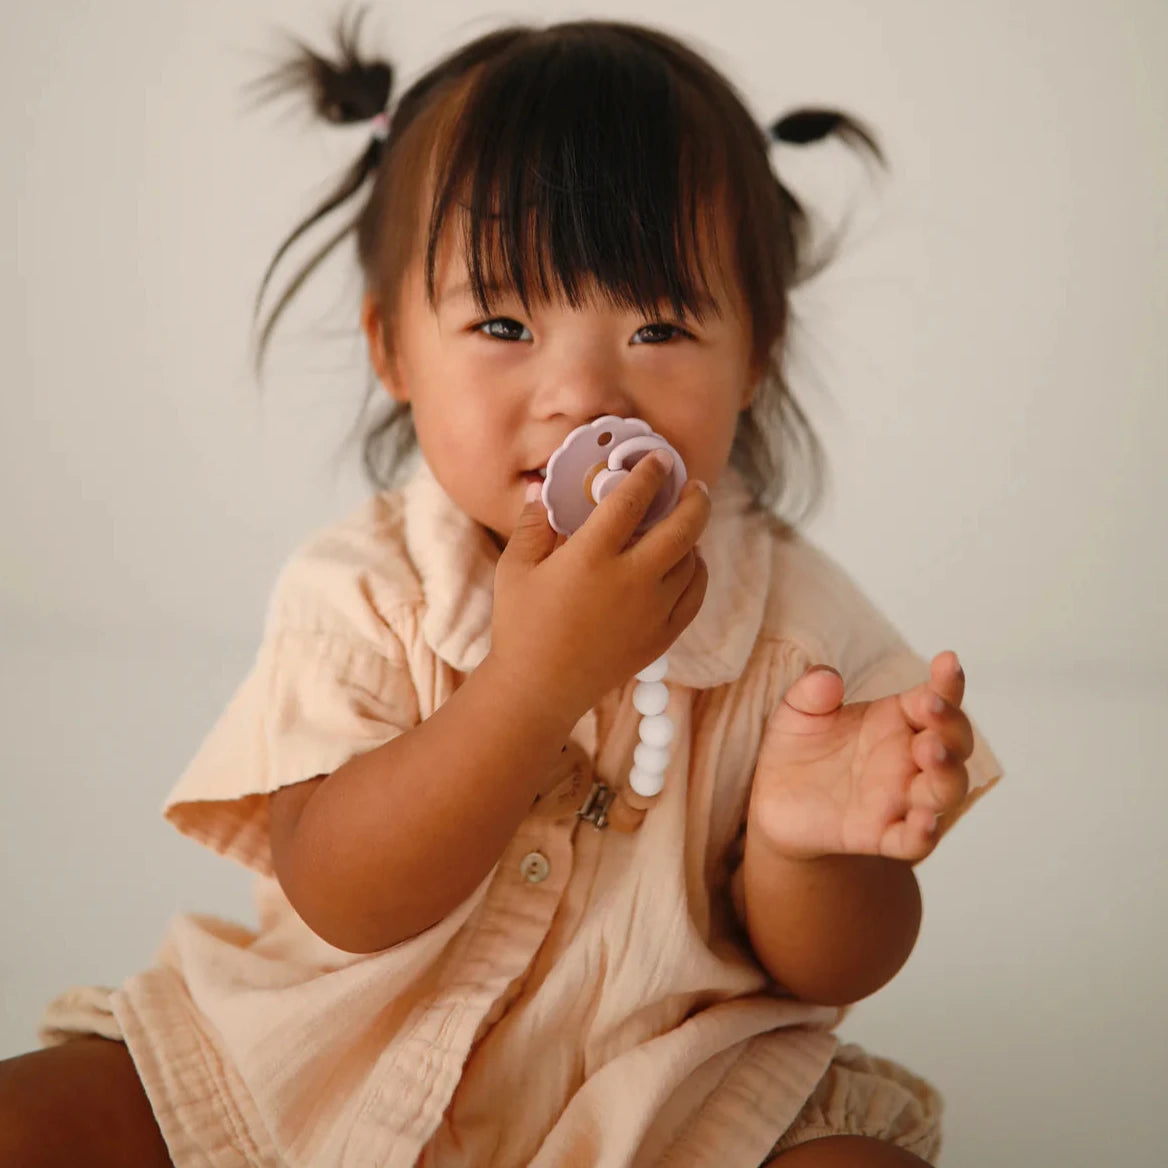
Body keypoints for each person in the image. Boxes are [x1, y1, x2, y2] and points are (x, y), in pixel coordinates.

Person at [0, 13, 1004, 1167]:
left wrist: (808, 852)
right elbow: (342, 892)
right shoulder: (368, 591)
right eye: (504, 322)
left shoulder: (807, 640)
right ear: (392, 349)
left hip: (662, 1106)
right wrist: (531, 684)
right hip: (313, 1064)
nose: (581, 393)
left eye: (661, 324)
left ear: (756, 350)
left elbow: (836, 969)